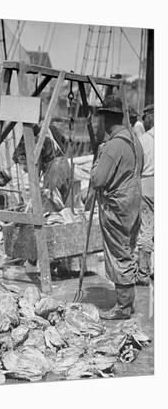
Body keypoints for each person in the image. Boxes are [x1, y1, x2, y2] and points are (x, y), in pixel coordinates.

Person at [90, 95, 144, 320]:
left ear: (106, 119)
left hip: (117, 207)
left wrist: (98, 159)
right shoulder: (134, 141)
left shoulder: (112, 146)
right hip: (132, 202)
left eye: (100, 118)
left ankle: (122, 308)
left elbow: (97, 180)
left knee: (118, 253)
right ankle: (128, 303)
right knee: (128, 250)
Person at [12, 123, 71, 212]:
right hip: (57, 163)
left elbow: (52, 204)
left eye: (25, 165)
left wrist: (33, 209)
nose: (25, 170)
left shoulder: (55, 170)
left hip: (56, 166)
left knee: (52, 200)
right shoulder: (54, 163)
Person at [136, 103, 154, 285]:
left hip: (147, 184)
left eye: (145, 116)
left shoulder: (144, 140)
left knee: (146, 229)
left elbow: (137, 167)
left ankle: (143, 273)